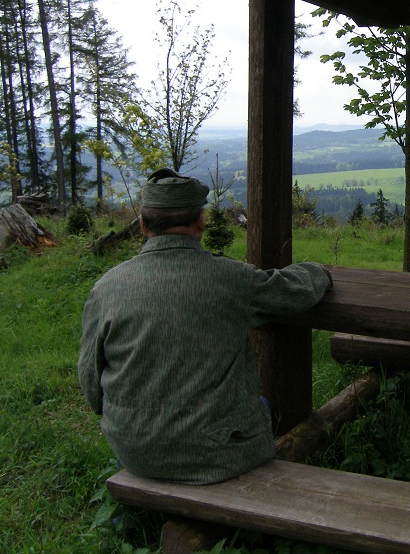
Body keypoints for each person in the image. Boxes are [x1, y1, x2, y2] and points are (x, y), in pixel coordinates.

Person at [78, 168, 332, 485]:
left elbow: (90, 382)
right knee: (266, 408)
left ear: (142, 225)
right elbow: (295, 291)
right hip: (220, 454)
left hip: (135, 451)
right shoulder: (230, 279)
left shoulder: (106, 288)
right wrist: (319, 271)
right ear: (200, 221)